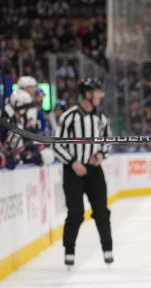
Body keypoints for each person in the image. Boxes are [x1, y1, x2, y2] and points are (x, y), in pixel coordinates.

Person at [53, 78, 113, 270]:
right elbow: (56, 144)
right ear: (87, 94)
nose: (100, 95)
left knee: (101, 211)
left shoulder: (101, 118)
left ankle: (108, 249)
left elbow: (108, 141)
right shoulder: (69, 117)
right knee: (76, 213)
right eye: (97, 91)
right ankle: (69, 251)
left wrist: (100, 154)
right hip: (73, 172)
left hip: (94, 171)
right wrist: (72, 162)